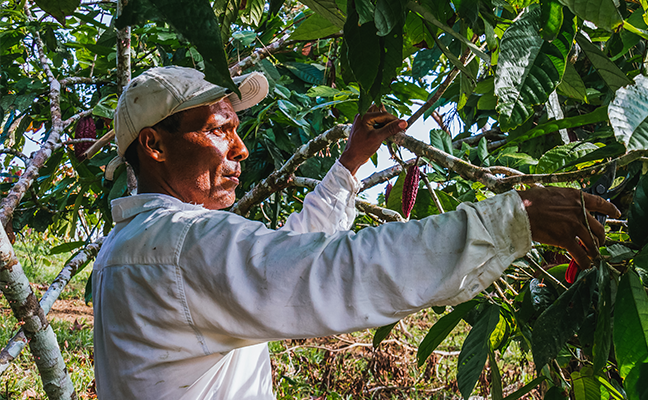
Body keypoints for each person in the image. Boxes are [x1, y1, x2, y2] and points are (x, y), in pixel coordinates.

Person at [92, 66, 619, 400]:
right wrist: (513, 217)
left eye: (236, 129)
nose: (241, 148)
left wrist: (349, 165)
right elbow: (336, 270)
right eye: (217, 130)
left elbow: (287, 259)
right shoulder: (180, 245)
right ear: (154, 145)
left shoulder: (136, 244)